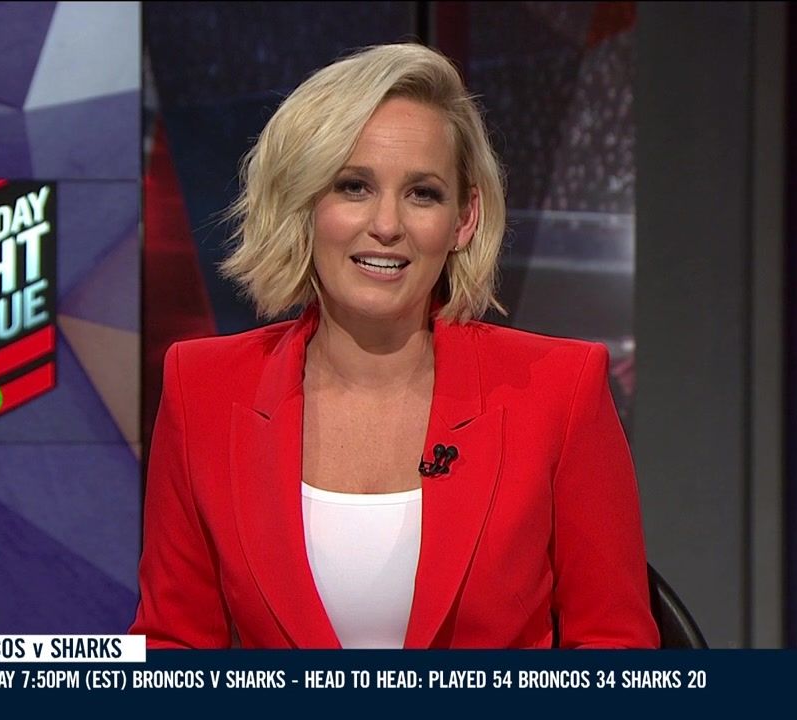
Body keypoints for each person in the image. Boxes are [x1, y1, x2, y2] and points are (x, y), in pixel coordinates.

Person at [130, 43, 658, 649]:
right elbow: (172, 649)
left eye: (422, 193)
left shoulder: (561, 390)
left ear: (464, 218)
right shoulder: (202, 387)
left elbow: (616, 650)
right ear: (303, 201)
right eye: (353, 186)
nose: (386, 225)